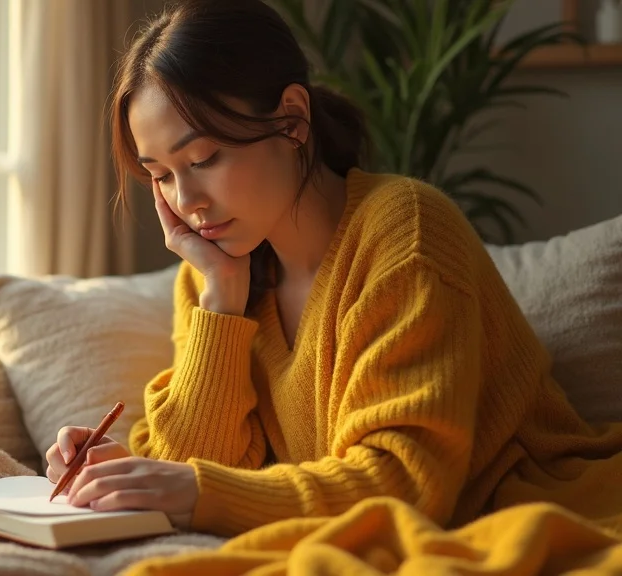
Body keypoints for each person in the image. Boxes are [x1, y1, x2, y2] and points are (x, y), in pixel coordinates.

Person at [46, 0, 622, 540]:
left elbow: (407, 483)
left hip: (525, 509)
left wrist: (191, 487)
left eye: (203, 159)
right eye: (161, 175)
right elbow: (193, 471)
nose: (186, 200)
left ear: (293, 119)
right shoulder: (212, 270)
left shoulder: (406, 230)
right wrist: (220, 301)